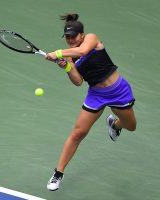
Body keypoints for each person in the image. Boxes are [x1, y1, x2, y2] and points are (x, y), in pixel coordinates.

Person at [45, 13, 137, 191]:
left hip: (119, 91)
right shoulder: (70, 56)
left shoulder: (91, 39)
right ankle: (58, 174)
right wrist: (66, 66)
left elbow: (82, 51)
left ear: (82, 35)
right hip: (96, 95)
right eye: (67, 37)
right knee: (78, 133)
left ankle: (115, 124)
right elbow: (78, 81)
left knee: (131, 126)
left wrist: (57, 53)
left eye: (73, 36)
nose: (70, 40)